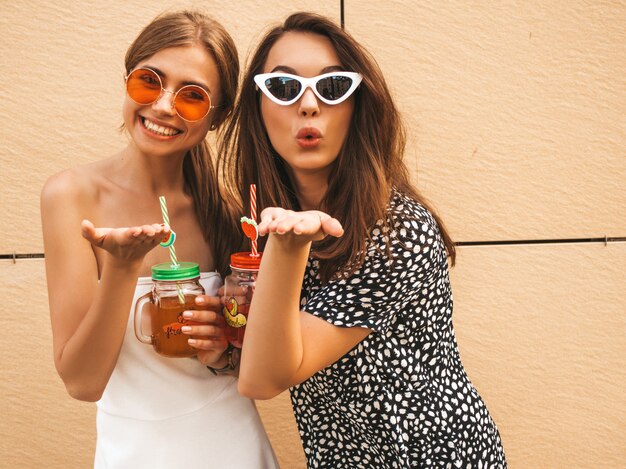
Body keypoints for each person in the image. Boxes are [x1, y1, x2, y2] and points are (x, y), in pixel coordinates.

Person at [219, 12, 507, 468]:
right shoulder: (268, 222)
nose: (308, 105)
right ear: (258, 107)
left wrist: (289, 250)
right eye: (284, 87)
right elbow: (258, 348)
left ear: (359, 105)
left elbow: (263, 378)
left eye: (333, 87)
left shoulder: (397, 233)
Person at [40, 10, 277, 468]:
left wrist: (220, 353)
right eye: (149, 81)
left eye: (192, 96)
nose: (165, 105)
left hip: (233, 445)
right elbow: (82, 383)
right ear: (127, 80)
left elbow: (252, 365)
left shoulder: (228, 215)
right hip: (133, 452)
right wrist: (124, 268)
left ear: (217, 116)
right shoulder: (69, 196)